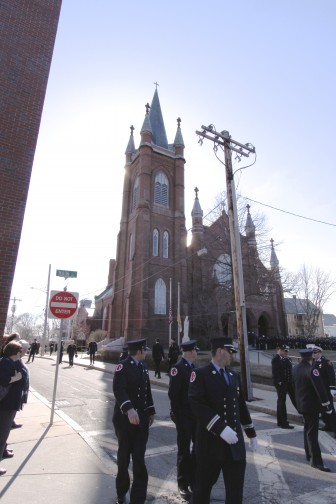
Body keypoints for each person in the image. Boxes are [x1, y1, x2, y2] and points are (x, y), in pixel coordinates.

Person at [188, 337, 257, 504]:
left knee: (235, 491)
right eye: (230, 352)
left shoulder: (234, 375)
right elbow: (197, 405)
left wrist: (251, 432)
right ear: (219, 351)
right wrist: (220, 428)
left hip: (234, 444)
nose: (232, 355)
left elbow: (240, 405)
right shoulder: (200, 374)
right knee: (202, 489)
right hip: (210, 444)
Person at [113, 338, 155, 504]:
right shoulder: (123, 366)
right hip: (124, 421)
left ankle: (138, 498)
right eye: (145, 350)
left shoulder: (143, 367)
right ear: (139, 351)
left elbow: (147, 390)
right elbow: (119, 390)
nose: (146, 352)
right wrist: (129, 409)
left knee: (139, 458)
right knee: (124, 459)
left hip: (142, 421)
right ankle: (121, 492)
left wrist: (151, 411)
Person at [292, 348, 332, 472]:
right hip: (312, 406)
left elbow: (294, 387)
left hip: (302, 405)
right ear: (311, 357)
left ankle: (309, 454)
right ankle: (316, 461)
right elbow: (320, 389)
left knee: (307, 430)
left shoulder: (296, 368)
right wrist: (327, 405)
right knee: (312, 433)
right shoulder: (312, 369)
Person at [168, 339, 198, 500]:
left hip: (196, 417)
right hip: (184, 417)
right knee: (184, 450)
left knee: (198, 449)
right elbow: (173, 394)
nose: (197, 353)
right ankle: (183, 484)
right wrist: (178, 415)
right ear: (191, 352)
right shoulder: (178, 368)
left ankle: (194, 480)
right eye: (195, 350)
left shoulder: (195, 368)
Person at [0, 341, 28, 476]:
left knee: (3, 434)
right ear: (14, 351)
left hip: (10, 404)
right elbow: (3, 380)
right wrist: (15, 378)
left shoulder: (12, 362)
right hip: (6, 404)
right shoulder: (6, 362)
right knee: (2, 435)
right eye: (20, 350)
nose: (22, 352)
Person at [309, 344, 336, 436]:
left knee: (330, 409)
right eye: (313, 353)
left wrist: (332, 388)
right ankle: (327, 424)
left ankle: (334, 428)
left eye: (315, 353)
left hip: (326, 390)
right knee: (322, 409)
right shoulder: (313, 362)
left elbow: (332, 376)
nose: (314, 354)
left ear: (320, 353)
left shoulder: (326, 362)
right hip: (318, 390)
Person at [271, 344, 296, 429]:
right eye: (285, 351)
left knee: (291, 399)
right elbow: (275, 373)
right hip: (281, 383)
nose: (286, 353)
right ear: (280, 350)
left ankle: (281, 421)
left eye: (287, 351)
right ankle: (283, 422)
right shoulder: (276, 359)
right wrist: (279, 382)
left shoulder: (286, 359)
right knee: (282, 402)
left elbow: (290, 370)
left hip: (288, 383)